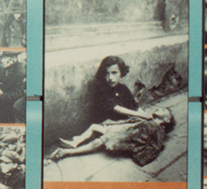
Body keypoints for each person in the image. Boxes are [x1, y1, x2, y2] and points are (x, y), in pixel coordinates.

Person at [47, 55, 175, 167]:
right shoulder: (102, 90)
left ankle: (74, 146)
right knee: (95, 129)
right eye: (107, 73)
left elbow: (135, 106)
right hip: (108, 122)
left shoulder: (123, 88)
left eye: (114, 73)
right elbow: (116, 108)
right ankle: (76, 142)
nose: (110, 78)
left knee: (105, 137)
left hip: (121, 126)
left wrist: (143, 114)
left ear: (121, 73)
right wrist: (140, 115)